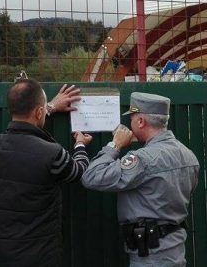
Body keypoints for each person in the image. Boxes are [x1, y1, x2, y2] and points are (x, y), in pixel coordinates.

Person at [0, 80, 92, 267]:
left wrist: (50, 107)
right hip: (35, 259)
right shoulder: (52, 154)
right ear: (39, 112)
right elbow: (80, 172)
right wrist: (80, 145)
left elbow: (27, 124)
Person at [81, 92, 200, 267]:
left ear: (141, 122)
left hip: (150, 255)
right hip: (174, 251)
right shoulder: (189, 156)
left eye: (132, 118)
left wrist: (115, 145)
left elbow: (91, 177)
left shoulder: (142, 159)